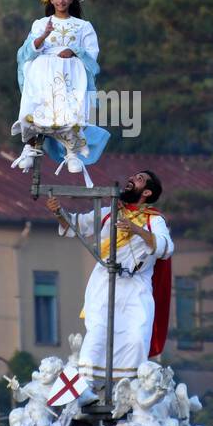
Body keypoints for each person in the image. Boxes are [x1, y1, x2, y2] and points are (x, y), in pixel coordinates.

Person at [44, 170, 174, 403]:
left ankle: (132, 394)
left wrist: (135, 230)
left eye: (140, 178)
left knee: (136, 337)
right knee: (97, 335)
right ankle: (85, 392)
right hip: (105, 283)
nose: (132, 178)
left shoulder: (154, 219)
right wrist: (58, 212)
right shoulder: (108, 213)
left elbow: (165, 247)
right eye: (132, 175)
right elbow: (75, 225)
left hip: (136, 288)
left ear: (146, 192)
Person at [10, 0, 109, 178]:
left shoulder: (83, 26)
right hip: (44, 73)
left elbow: (92, 53)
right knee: (36, 108)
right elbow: (26, 52)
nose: (61, 1)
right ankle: (30, 146)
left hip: (71, 73)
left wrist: (74, 51)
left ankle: (72, 153)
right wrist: (44, 36)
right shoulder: (40, 23)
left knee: (70, 111)